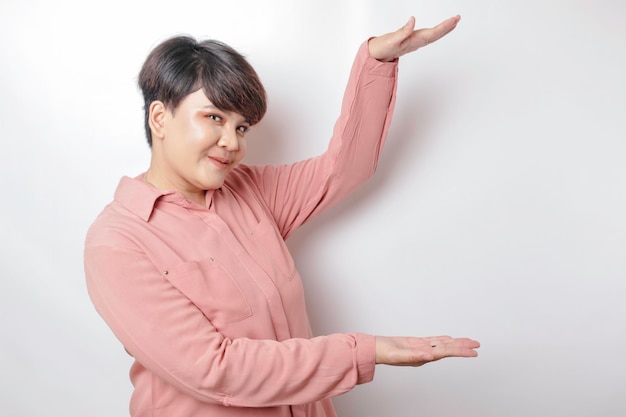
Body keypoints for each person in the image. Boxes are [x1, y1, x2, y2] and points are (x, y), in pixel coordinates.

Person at [84, 14, 479, 417]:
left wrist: (374, 63)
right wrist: (366, 352)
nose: (231, 143)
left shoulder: (248, 189)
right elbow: (216, 370)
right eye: (215, 118)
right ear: (159, 118)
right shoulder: (117, 243)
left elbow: (343, 170)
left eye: (242, 128)